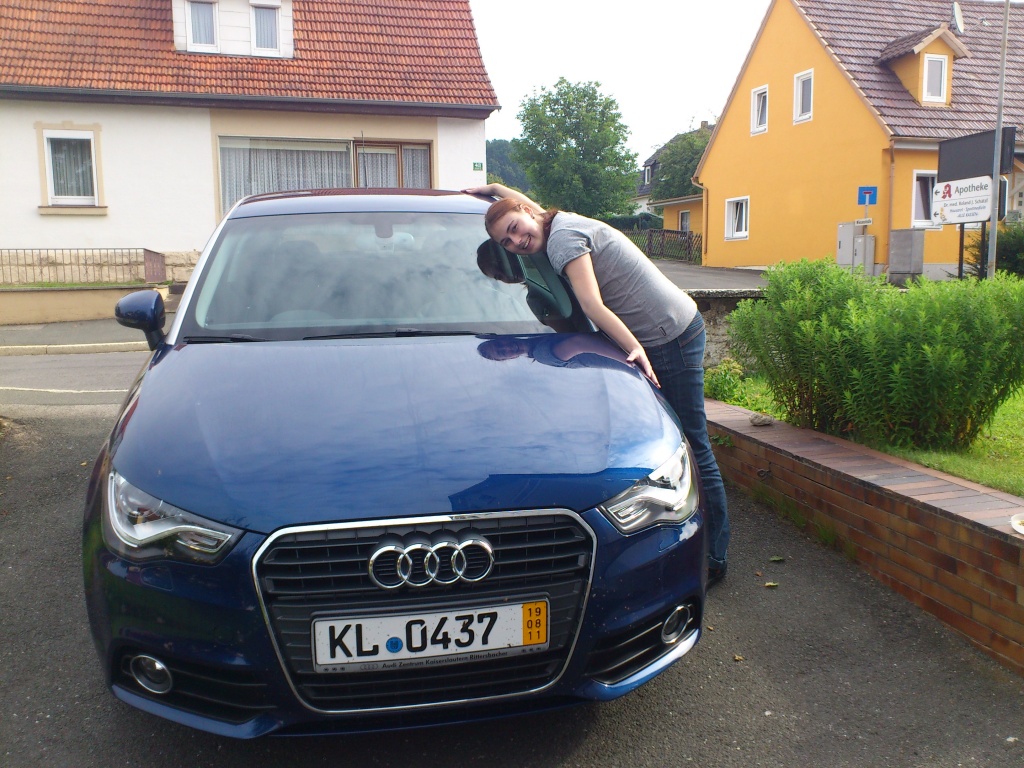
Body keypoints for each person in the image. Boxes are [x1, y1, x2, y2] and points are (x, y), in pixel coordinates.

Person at [465, 183, 730, 588]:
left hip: (669, 335)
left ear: (527, 212)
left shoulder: (562, 241)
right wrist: (493, 189)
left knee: (694, 444)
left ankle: (715, 558)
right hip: (664, 329)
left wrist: (635, 349)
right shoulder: (550, 222)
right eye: (507, 241)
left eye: (515, 229)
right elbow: (523, 213)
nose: (517, 242)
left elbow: (591, 305)